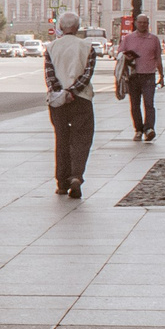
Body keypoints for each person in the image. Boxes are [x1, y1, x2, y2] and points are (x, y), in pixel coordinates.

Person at [45, 16, 99, 198]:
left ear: (60, 27)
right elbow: (87, 74)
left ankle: (61, 182)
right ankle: (76, 176)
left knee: (61, 139)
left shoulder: (51, 47)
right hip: (82, 99)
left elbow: (50, 76)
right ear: (78, 27)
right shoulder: (87, 46)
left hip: (58, 102)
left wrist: (62, 92)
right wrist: (73, 91)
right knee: (81, 139)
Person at [119, 15, 161, 142]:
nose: (142, 25)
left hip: (149, 75)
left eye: (145, 23)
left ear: (148, 24)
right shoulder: (128, 38)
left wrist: (162, 75)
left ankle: (149, 129)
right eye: (140, 22)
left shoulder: (154, 39)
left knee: (149, 103)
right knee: (135, 104)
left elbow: (158, 57)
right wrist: (128, 58)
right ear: (136, 23)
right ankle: (138, 129)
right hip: (133, 76)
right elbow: (120, 54)